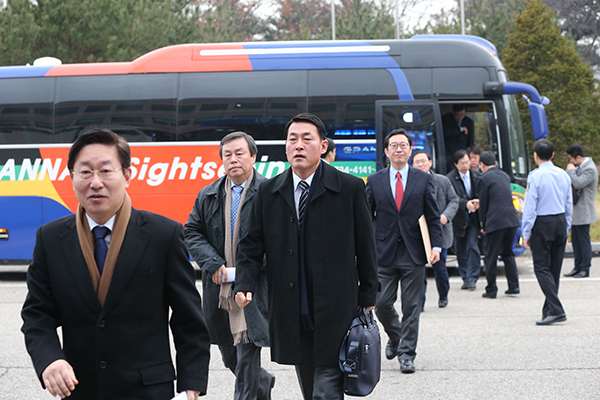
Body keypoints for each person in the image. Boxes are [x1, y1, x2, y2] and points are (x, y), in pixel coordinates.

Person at [21, 129, 210, 400]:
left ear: (127, 175)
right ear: (71, 177)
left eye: (106, 171)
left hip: (149, 390)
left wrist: (191, 387)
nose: (95, 182)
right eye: (85, 172)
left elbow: (188, 320)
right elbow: (37, 315)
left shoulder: (163, 235)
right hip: (79, 389)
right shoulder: (50, 239)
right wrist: (50, 360)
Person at [234, 113, 378, 399]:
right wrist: (244, 284)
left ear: (323, 146)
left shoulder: (349, 188)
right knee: (309, 383)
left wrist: (368, 296)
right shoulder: (268, 192)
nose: (298, 145)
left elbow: (366, 245)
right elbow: (250, 244)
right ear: (285, 147)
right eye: (292, 140)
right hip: (292, 305)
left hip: (336, 305)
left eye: (306, 139)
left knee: (326, 386)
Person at [184, 131, 275, 400]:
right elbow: (192, 231)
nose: (233, 159)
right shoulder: (209, 194)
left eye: (239, 153)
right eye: (227, 155)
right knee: (229, 357)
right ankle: (264, 382)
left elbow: (280, 241)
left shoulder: (270, 193)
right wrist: (213, 264)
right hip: (219, 289)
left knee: (247, 354)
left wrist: (248, 270)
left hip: (254, 288)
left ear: (253, 157)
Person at [366, 130, 442, 374]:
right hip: (384, 252)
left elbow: (432, 215)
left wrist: (436, 246)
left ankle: (407, 355)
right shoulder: (375, 180)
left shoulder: (423, 179)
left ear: (410, 150)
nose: (399, 149)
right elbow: (367, 217)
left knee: (412, 307)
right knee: (381, 304)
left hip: (413, 251)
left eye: (403, 145)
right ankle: (396, 337)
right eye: (394, 146)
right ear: (386, 152)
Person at [522, 139, 572, 326]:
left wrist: (526, 233)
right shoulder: (563, 175)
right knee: (554, 269)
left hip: (542, 223)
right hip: (559, 220)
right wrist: (567, 228)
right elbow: (568, 204)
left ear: (535, 156)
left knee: (541, 268)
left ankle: (557, 310)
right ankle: (549, 309)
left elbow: (530, 208)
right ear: (552, 155)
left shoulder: (535, 177)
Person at [412, 150, 458, 309]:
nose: (420, 164)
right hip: (418, 233)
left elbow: (454, 200)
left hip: (440, 230)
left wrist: (445, 216)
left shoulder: (443, 181)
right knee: (419, 270)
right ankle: (420, 302)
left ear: (430, 162)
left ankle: (443, 294)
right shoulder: (410, 183)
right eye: (417, 162)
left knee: (440, 267)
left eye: (423, 161)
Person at [477, 151, 520, 298]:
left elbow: (483, 203)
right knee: (508, 253)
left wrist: (482, 223)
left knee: (491, 255)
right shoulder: (505, 175)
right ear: (495, 163)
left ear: (482, 165)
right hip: (511, 219)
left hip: (495, 221)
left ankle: (491, 289)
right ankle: (514, 286)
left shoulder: (483, 178)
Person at [447, 149, 481, 290]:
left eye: (467, 162)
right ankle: (465, 277)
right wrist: (465, 204)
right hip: (459, 219)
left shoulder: (476, 176)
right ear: (456, 164)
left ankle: (472, 278)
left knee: (472, 246)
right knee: (460, 249)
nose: (466, 165)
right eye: (462, 163)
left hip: (473, 218)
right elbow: (452, 199)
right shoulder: (450, 179)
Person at [564, 144, 598, 278]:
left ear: (578, 157)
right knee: (576, 241)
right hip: (576, 210)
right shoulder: (582, 167)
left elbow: (578, 183)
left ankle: (585, 268)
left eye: (572, 159)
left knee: (583, 241)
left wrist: (571, 171)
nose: (570, 162)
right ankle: (577, 267)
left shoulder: (589, 169)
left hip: (584, 210)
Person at [443, 104, 475, 172]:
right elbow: (446, 133)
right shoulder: (446, 119)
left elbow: (470, 140)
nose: (459, 118)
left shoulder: (468, 122)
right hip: (448, 154)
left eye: (462, 115)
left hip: (462, 153)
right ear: (454, 113)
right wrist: (459, 129)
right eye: (457, 115)